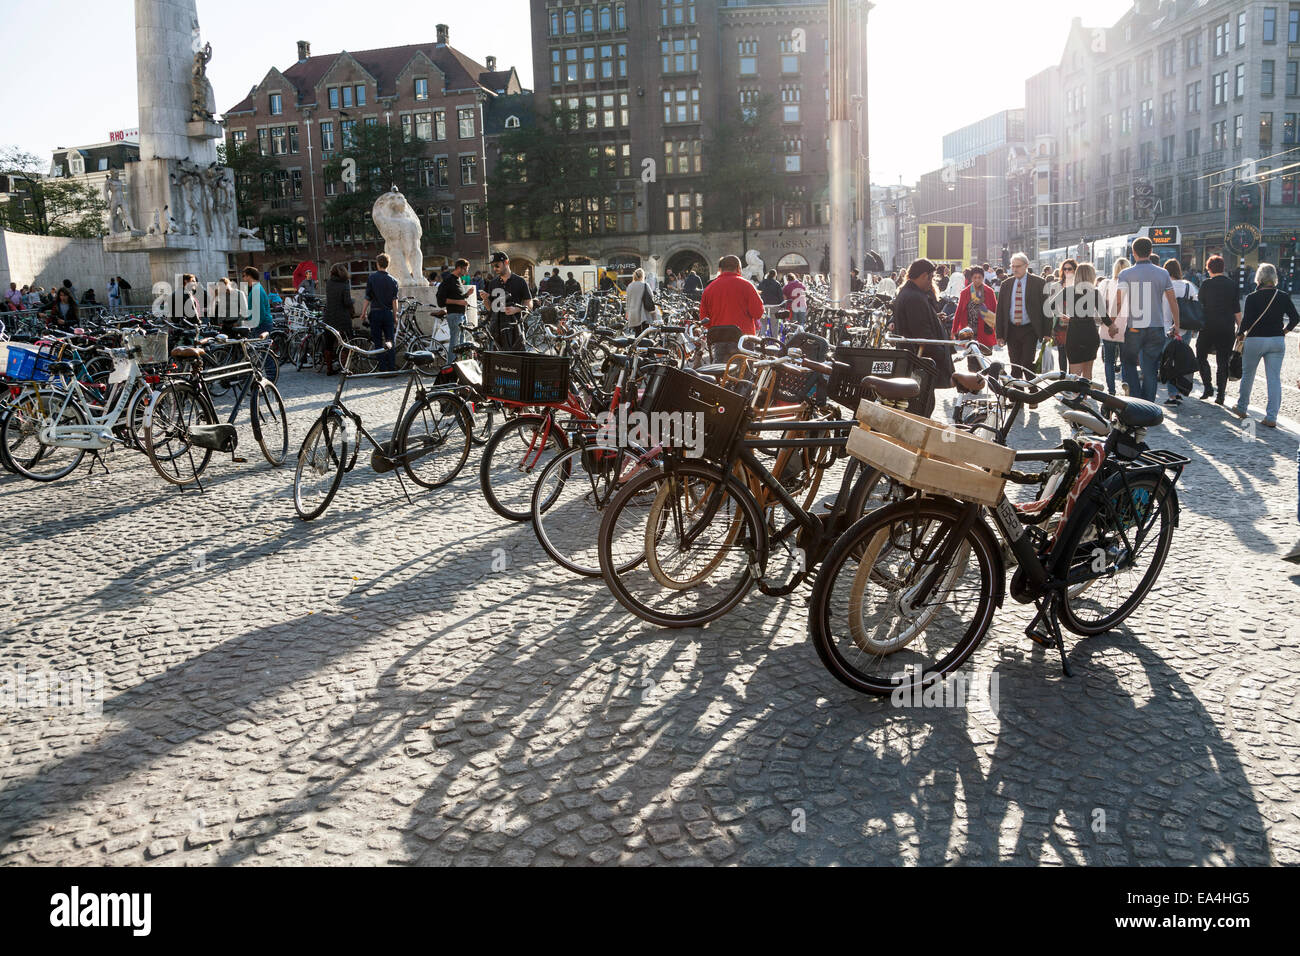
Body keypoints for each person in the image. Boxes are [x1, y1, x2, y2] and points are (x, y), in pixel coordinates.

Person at [1232, 262, 1299, 428]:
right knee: (1274, 379)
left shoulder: (1252, 297)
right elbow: (1295, 318)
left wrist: (1240, 333)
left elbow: (1246, 322)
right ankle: (1271, 417)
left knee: (1248, 374)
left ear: (1259, 278)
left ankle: (1241, 407)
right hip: (1277, 341)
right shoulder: (1282, 296)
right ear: (1274, 278)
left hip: (1255, 340)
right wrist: (1284, 331)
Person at [1115, 237, 1178, 402]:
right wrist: (1177, 325)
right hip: (1156, 327)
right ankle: (1148, 404)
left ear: (1133, 253)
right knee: (1150, 368)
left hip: (1134, 326)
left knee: (1128, 363)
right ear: (1151, 252)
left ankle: (1136, 400)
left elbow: (1119, 302)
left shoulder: (1125, 274)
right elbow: (1173, 301)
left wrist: (1112, 322)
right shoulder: (1163, 273)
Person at [891, 258, 954, 416]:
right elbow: (922, 333)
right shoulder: (915, 297)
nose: (931, 282)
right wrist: (940, 353)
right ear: (925, 275)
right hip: (920, 362)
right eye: (931, 278)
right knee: (922, 407)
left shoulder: (908, 292)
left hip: (914, 360)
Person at [1195, 255, 1240, 405]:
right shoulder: (1232, 284)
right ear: (1223, 268)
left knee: (1200, 355)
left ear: (1209, 268)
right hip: (1227, 327)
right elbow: (1236, 309)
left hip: (1208, 326)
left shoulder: (1206, 284)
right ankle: (1221, 395)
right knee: (1223, 361)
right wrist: (1241, 328)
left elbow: (1200, 306)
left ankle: (1208, 387)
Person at [996, 252, 1051, 375]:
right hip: (1011, 330)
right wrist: (999, 334)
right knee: (1014, 364)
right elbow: (1000, 311)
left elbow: (1046, 308)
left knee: (1027, 362)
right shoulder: (1006, 284)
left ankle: (1032, 390)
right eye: (1013, 266)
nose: (1014, 269)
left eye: (1018, 266)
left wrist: (1047, 333)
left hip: (1030, 329)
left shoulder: (1038, 283)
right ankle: (1017, 392)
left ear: (1026, 266)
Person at [1061, 262, 1110, 381]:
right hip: (1090, 333)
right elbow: (1104, 316)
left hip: (1074, 334)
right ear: (1091, 276)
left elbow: (1050, 306)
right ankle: (1085, 398)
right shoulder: (1095, 292)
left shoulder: (1068, 291)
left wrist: (1066, 317)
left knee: (1074, 375)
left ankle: (1075, 398)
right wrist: (1112, 327)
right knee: (1087, 374)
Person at [699, 254, 763, 338]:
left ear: (720, 270)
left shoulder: (709, 289)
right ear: (738, 269)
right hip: (743, 338)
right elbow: (758, 313)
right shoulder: (747, 286)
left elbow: (704, 319)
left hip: (719, 338)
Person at [480, 250, 532, 351]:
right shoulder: (493, 283)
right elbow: (491, 308)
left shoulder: (520, 281)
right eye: (493, 266)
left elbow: (529, 303)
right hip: (497, 329)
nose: (494, 269)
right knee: (499, 362)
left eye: (497, 265)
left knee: (517, 359)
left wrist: (516, 309)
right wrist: (486, 299)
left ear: (506, 262)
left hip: (515, 329)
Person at [1161, 259, 1197, 406]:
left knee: (1170, 363)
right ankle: (1178, 390)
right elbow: (1196, 304)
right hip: (1185, 329)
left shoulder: (1165, 287)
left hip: (1168, 329)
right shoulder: (1189, 286)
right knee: (1181, 362)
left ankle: (1172, 396)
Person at [1097, 258, 1129, 396]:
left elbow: (1099, 305)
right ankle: (1126, 383)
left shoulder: (1106, 283)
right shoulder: (1132, 285)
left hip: (1108, 325)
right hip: (1127, 327)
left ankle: (1111, 390)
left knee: (1109, 361)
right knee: (1126, 360)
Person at [951, 265, 998, 349]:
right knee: (971, 359)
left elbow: (996, 311)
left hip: (985, 331)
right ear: (971, 278)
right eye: (974, 277)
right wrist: (954, 330)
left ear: (983, 278)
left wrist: (999, 331)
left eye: (979, 277)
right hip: (969, 332)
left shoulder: (990, 292)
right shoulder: (965, 292)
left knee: (983, 360)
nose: (977, 280)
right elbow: (959, 312)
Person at [322, 263, 356, 375]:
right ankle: (344, 368)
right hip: (342, 318)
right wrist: (353, 302)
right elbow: (346, 302)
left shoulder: (329, 283)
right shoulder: (345, 283)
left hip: (329, 317)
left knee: (329, 344)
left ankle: (329, 369)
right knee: (345, 343)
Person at [436, 258, 472, 360]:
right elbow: (441, 300)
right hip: (454, 315)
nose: (466, 271)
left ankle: (461, 365)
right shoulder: (448, 280)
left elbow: (457, 297)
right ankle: (451, 366)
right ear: (459, 268)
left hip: (461, 314)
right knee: (455, 342)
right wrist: (459, 302)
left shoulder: (458, 280)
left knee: (462, 342)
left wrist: (466, 295)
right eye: (465, 269)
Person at [241, 266, 274, 336]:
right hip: (261, 324)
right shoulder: (256, 288)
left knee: (258, 346)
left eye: (244, 276)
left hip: (261, 325)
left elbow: (260, 311)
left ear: (249, 276)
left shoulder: (256, 290)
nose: (243, 279)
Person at [757, 269, 784, 337]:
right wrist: (782, 305)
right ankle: (774, 340)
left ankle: (762, 339)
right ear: (775, 275)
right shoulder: (777, 284)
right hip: (774, 306)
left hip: (764, 306)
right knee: (774, 324)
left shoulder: (762, 283)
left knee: (763, 324)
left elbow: (758, 293)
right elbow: (780, 296)